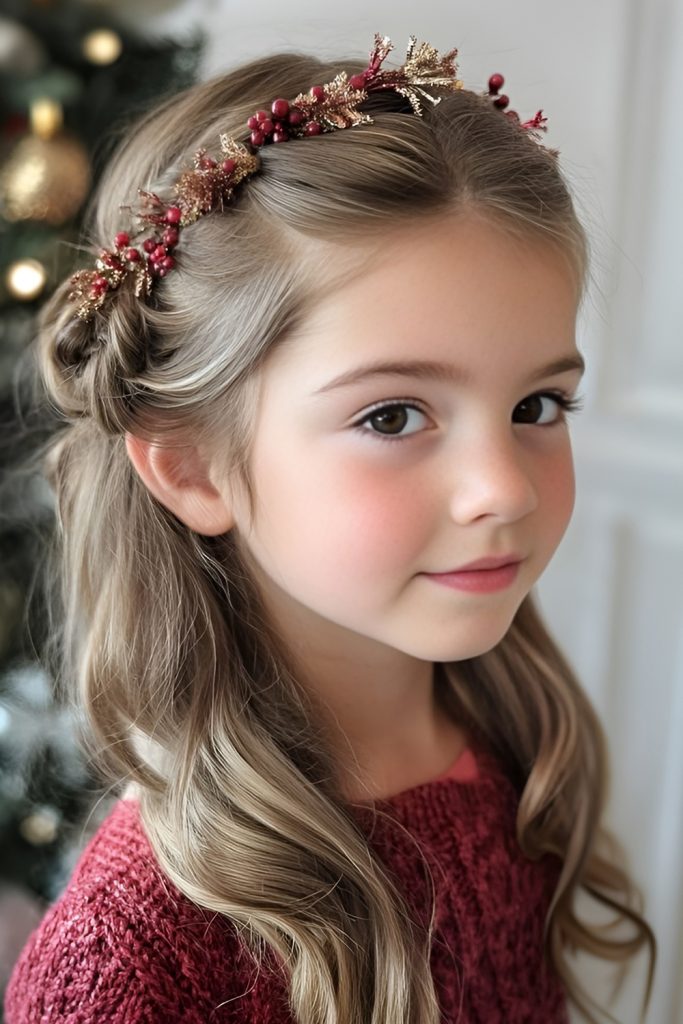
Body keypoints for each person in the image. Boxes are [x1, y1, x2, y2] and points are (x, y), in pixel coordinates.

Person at [4, 32, 656, 1024]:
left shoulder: (519, 749)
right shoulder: (129, 965)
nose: (502, 490)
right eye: (391, 416)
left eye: (535, 406)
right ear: (191, 467)